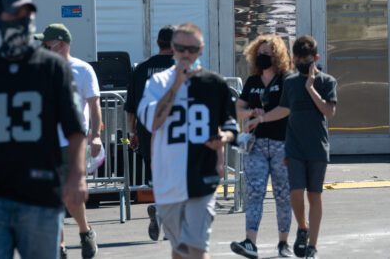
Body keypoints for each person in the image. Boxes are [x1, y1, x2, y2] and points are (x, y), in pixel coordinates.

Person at [0, 0, 88, 259]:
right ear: (0, 18)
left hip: (41, 195)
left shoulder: (52, 68)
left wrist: (77, 176)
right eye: (15, 13)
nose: (22, 19)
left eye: (27, 13)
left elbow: (75, 129)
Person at [138, 23, 238, 259]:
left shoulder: (214, 84)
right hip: (169, 177)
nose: (186, 55)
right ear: (173, 48)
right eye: (181, 48)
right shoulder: (157, 83)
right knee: (180, 249)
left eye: (191, 49)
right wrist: (176, 86)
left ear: (201, 50)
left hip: (202, 174)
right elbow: (153, 123)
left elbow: (230, 123)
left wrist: (224, 138)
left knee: (197, 247)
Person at [248, 35, 338, 259]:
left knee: (314, 196)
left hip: (317, 147)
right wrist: (261, 119)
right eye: (298, 58)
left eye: (306, 58)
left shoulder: (327, 81)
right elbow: (283, 110)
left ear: (315, 58)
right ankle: (302, 227)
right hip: (294, 147)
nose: (301, 62)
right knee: (295, 194)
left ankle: (313, 247)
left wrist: (311, 88)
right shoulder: (290, 82)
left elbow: (329, 112)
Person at [39, 23, 103, 259]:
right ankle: (60, 247)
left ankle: (85, 232)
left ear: (61, 44)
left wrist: (96, 135)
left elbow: (95, 106)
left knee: (71, 195)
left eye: (46, 45)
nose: (42, 49)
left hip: (73, 142)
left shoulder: (83, 70)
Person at [230, 35, 294, 258]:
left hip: (282, 144)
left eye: (267, 53)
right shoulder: (252, 81)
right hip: (256, 145)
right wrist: (250, 113)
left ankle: (283, 243)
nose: (262, 57)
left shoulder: (287, 80)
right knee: (254, 192)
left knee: (283, 194)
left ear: (277, 55)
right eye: (259, 53)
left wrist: (262, 118)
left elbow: (287, 108)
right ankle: (250, 241)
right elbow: (237, 108)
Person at [126, 25, 176, 241]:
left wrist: (131, 132)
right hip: (176, 131)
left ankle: (160, 210)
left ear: (158, 43)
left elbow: (130, 107)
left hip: (147, 131)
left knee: (157, 179)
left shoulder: (140, 69)